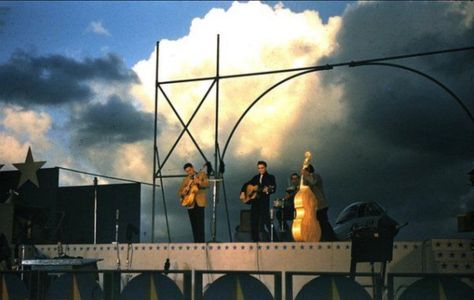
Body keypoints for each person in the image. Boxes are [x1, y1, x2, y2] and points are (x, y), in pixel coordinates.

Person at [301, 164, 336, 241]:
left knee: (323, 222)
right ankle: (324, 238)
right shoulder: (306, 179)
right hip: (313, 206)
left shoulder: (315, 176)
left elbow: (313, 182)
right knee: (320, 223)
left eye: (304, 170)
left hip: (321, 204)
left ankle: (332, 238)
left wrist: (306, 176)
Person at [244, 161, 277, 242]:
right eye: (259, 168)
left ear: (265, 168)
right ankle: (255, 240)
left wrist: (267, 189)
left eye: (262, 168)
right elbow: (246, 184)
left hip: (264, 202)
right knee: (254, 220)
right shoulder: (255, 177)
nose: (260, 170)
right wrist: (242, 192)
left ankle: (276, 240)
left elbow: (273, 188)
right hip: (255, 202)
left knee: (266, 221)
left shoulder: (270, 177)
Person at [178, 163, 209, 243]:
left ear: (193, 168)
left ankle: (201, 242)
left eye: (190, 170)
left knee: (200, 224)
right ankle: (196, 242)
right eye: (187, 171)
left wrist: (199, 182)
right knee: (194, 224)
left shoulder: (202, 174)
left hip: (200, 202)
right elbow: (179, 192)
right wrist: (184, 191)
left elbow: (207, 184)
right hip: (190, 203)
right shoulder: (185, 180)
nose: (189, 172)